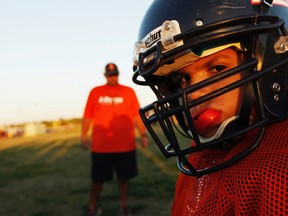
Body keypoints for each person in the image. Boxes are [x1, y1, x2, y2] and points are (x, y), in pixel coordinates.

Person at [132, 0, 288, 215]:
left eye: (217, 68)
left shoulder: (279, 170)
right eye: (180, 80)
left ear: (271, 58)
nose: (193, 93)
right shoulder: (198, 157)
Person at [81, 62, 148, 216]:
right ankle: (92, 207)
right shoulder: (95, 92)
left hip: (125, 145)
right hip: (101, 146)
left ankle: (123, 207)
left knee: (124, 178)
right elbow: (87, 115)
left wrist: (143, 134)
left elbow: (136, 115)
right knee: (97, 179)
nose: (113, 77)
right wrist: (84, 135)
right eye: (110, 75)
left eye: (115, 74)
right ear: (105, 75)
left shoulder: (128, 91)